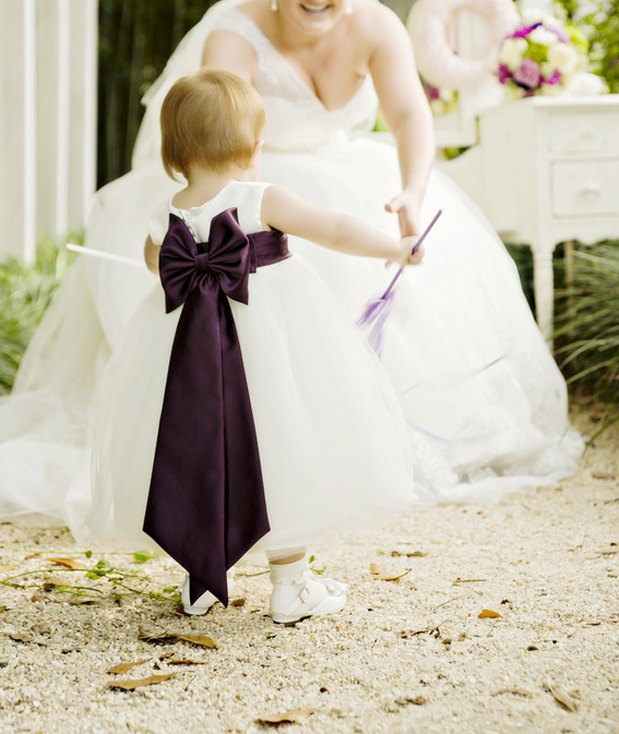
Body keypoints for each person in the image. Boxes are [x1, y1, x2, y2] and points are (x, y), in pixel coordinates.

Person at [0, 0, 583, 526]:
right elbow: (224, 146)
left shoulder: (374, 25)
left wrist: (412, 191)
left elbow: (407, 116)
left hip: (348, 166)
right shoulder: (233, 36)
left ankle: (378, 434)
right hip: (256, 179)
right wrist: (244, 232)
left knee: (400, 273)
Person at [80, 68, 417, 622]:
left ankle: (203, 581)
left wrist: (189, 260)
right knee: (281, 443)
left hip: (187, 346)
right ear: (255, 146)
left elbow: (152, 263)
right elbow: (331, 227)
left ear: (172, 153)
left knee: (194, 441)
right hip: (269, 340)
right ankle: (291, 586)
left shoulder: (167, 210)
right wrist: (394, 246)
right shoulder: (260, 198)